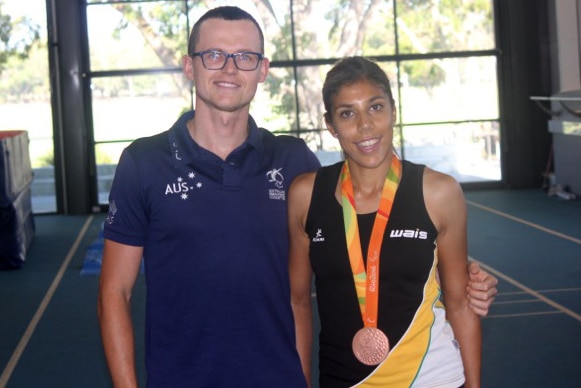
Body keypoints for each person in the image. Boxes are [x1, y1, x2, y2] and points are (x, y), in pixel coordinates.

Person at [98, 6, 495, 387]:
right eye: (215, 55)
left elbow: (373, 224)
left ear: (263, 70)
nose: (230, 69)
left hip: (278, 377)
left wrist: (460, 270)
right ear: (190, 66)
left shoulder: (292, 163)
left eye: (246, 57)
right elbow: (115, 292)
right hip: (180, 379)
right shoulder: (143, 163)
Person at [288, 56, 481, 387]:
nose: (365, 125)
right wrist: (302, 379)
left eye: (375, 107)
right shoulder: (306, 195)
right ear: (330, 125)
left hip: (431, 374)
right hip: (344, 378)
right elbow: (298, 301)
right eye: (347, 113)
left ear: (394, 111)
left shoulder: (438, 193)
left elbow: (460, 304)